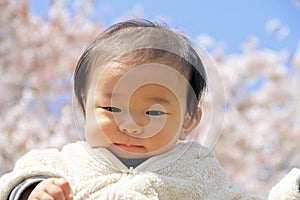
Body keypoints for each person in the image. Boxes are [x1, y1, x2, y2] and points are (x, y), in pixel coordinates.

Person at [0, 19, 299, 200]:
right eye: (112, 108)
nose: (131, 125)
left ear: (190, 120)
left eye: (154, 113)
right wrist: (32, 192)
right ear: (84, 108)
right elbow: (18, 180)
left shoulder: (199, 172)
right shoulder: (63, 163)